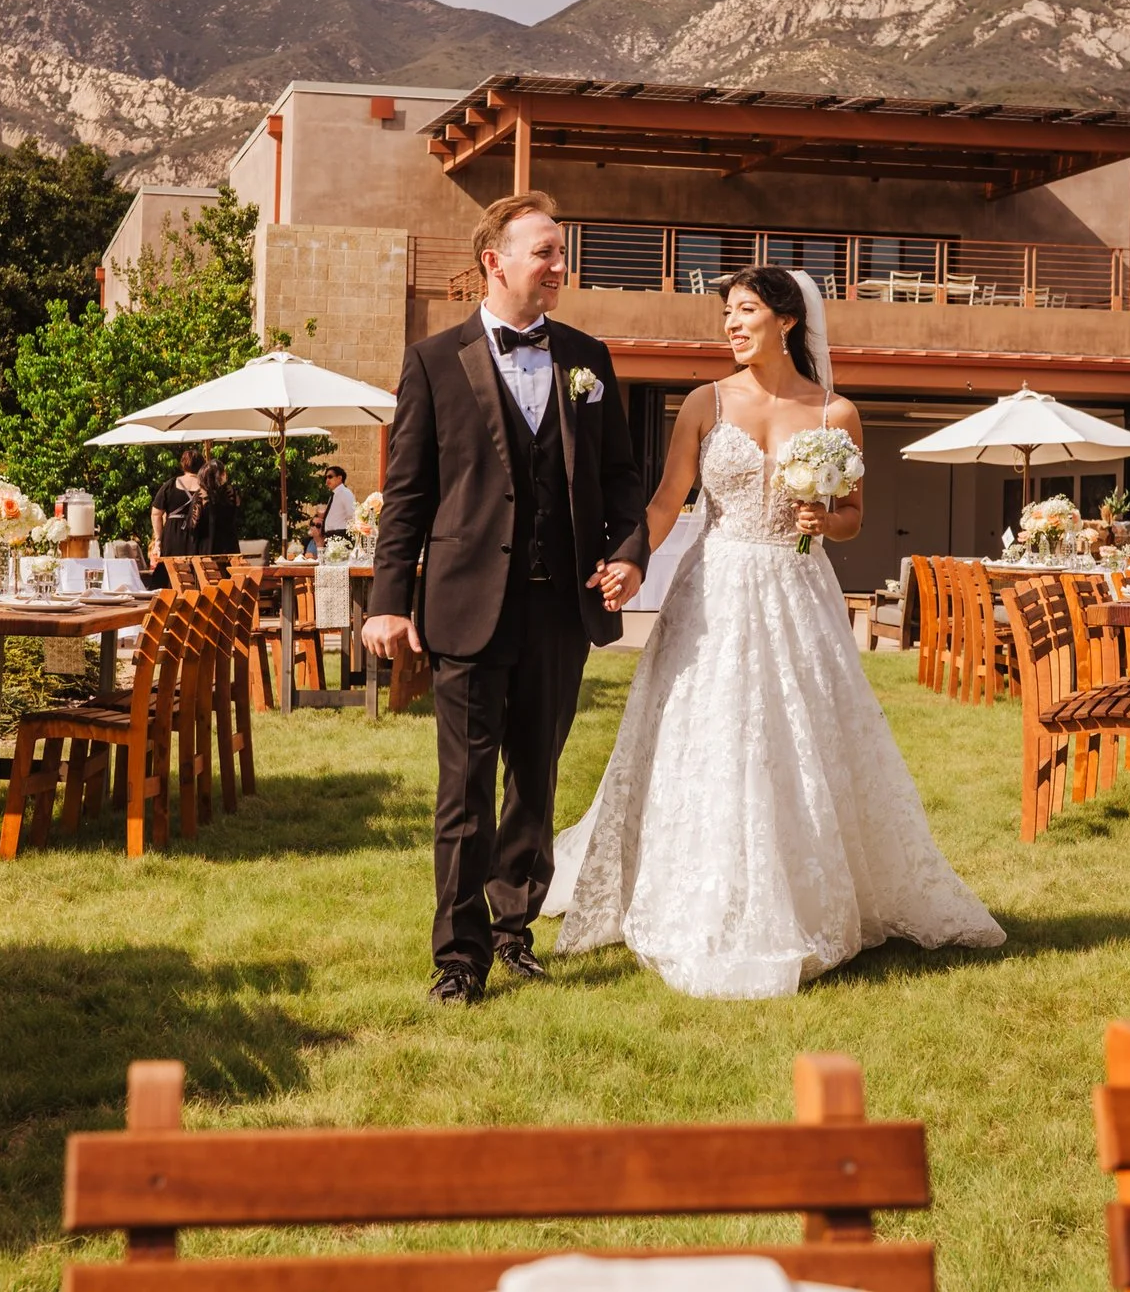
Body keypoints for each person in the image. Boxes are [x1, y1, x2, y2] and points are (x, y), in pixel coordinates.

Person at [543, 266, 1004, 999]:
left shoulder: (836, 414)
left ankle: (805, 890)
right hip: (716, 587)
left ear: (787, 320)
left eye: (746, 310)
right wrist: (633, 561)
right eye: (727, 312)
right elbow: (668, 501)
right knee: (715, 734)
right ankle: (701, 883)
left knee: (797, 735)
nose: (731, 324)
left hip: (796, 591)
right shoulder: (704, 401)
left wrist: (830, 521)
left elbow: (852, 513)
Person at [363, 192, 649, 1007]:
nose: (560, 267)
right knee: (465, 787)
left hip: (562, 606)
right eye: (546, 252)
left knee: (536, 777)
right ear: (496, 261)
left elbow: (624, 477)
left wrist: (628, 555)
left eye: (562, 253)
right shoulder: (432, 361)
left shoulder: (588, 358)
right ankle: (457, 958)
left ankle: (512, 931)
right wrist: (389, 601)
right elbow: (407, 493)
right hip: (465, 606)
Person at [151, 450, 204, 563]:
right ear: (202, 465)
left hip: (173, 532)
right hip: (197, 532)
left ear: (183, 464)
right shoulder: (205, 486)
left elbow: (156, 514)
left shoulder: (170, 484)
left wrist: (158, 540)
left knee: (173, 570)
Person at [195, 459, 238, 555]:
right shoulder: (230, 492)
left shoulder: (201, 494)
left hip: (207, 545)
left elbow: (193, 523)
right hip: (229, 544)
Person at [322, 466, 356, 539]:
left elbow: (352, 514)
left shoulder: (345, 493)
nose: (327, 480)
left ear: (339, 478)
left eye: (330, 477)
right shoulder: (334, 495)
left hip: (340, 535)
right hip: (331, 536)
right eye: (326, 478)